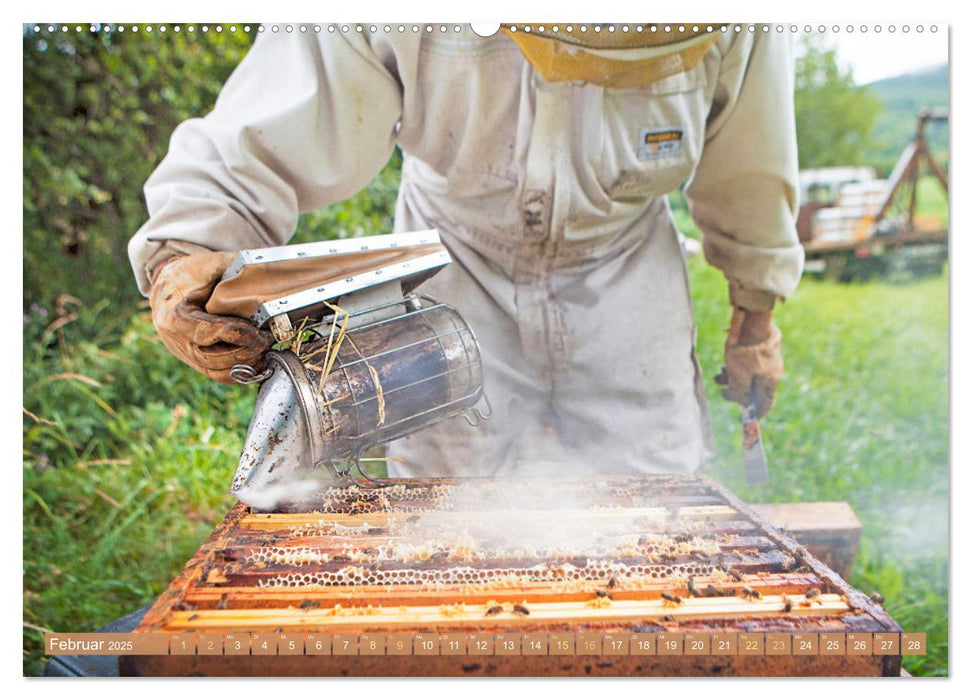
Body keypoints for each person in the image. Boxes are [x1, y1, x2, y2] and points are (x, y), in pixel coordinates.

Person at [132, 23, 803, 479]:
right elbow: (267, 120)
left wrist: (755, 316)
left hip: (625, 273)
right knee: (447, 516)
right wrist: (188, 246)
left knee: (650, 503)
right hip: (456, 268)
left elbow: (753, 158)